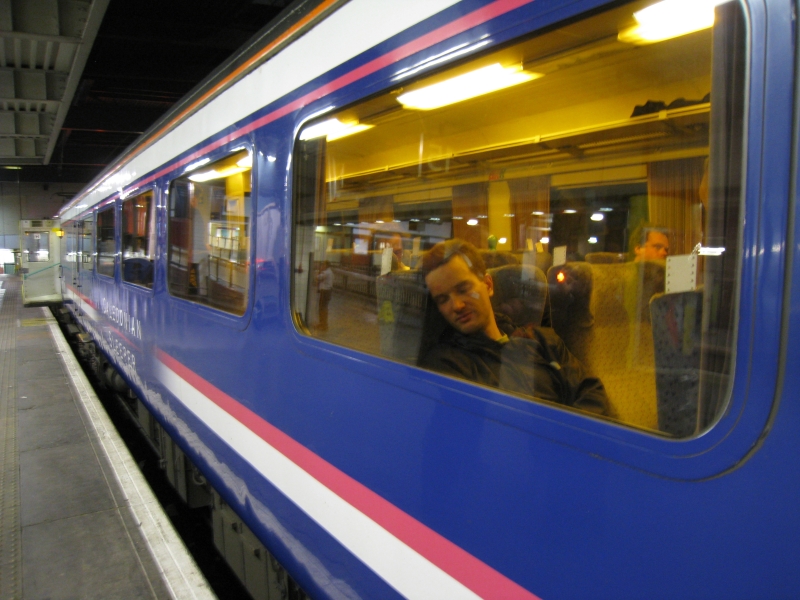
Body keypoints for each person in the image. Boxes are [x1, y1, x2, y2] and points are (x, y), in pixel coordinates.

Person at [420, 239, 608, 415]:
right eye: (443, 299)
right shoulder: (446, 365)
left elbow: (592, 393)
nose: (457, 305)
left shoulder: (542, 340)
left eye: (463, 290)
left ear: (488, 285)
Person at [317, 261, 333, 331]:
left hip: (325, 292)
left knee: (322, 308)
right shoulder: (330, 272)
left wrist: (320, 271)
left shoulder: (326, 272)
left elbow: (318, 277)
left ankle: (323, 325)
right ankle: (322, 323)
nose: (322, 266)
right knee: (323, 307)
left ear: (326, 265)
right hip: (327, 291)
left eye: (323, 265)